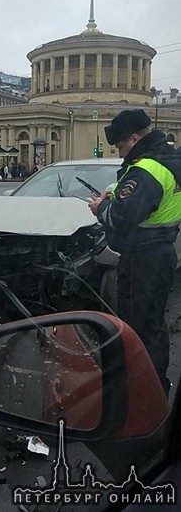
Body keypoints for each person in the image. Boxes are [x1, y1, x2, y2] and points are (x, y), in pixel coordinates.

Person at [88, 109, 181, 395]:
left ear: (135, 137)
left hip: (143, 256)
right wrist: (112, 193)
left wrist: (100, 208)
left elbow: (122, 217)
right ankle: (155, 382)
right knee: (152, 321)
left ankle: (145, 388)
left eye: (121, 146)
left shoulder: (147, 168)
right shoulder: (167, 161)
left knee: (140, 323)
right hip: (160, 251)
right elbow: (138, 197)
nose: (119, 152)